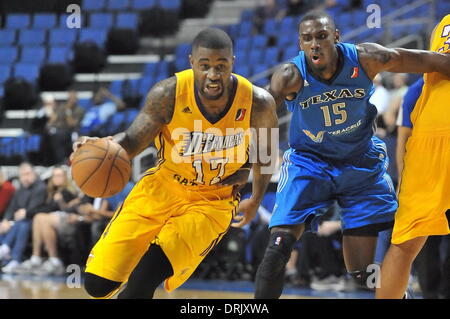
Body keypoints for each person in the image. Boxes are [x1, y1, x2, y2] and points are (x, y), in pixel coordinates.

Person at [252, 10, 450, 299]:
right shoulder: (290, 76)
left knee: (363, 274)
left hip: (359, 163)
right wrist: (255, 191)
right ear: (300, 43)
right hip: (310, 163)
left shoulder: (367, 58)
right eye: (307, 39)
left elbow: (427, 59)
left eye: (321, 36)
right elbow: (263, 119)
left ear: (336, 36)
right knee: (277, 248)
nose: (315, 44)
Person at [72, 28, 278, 299]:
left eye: (221, 66)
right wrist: (102, 147)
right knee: (97, 286)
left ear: (232, 62)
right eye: (205, 66)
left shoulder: (258, 102)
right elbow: (134, 139)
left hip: (212, 201)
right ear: (192, 62)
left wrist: (255, 196)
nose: (213, 75)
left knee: (143, 279)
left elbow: (266, 153)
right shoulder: (168, 93)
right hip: (163, 187)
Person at [377, 15, 450, 298]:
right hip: (429, 132)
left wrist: (390, 58)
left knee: (405, 244)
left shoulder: (442, 23)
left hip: (430, 131)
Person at [14, 166, 79, 276]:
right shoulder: (51, 192)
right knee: (39, 217)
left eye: (60, 175)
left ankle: (54, 260)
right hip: (54, 220)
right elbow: (44, 207)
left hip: (68, 221)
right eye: (55, 176)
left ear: (65, 177)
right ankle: (36, 257)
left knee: (43, 218)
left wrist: (27, 213)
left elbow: (53, 208)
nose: (57, 178)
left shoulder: (68, 191)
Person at [0, 163, 47, 273]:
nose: (25, 177)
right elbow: (11, 207)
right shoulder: (20, 189)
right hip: (18, 220)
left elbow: (36, 207)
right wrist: (7, 219)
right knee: (4, 224)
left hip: (34, 220)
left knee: (23, 224)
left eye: (27, 174)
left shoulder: (40, 187)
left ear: (34, 174)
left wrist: (25, 213)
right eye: (22, 175)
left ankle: (13, 256)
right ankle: (6, 258)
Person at [46, 91, 85, 164]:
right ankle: (54, 161)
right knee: (49, 135)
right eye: (70, 98)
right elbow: (53, 119)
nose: (71, 100)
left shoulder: (80, 110)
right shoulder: (62, 107)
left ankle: (65, 161)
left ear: (77, 100)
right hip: (60, 130)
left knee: (59, 137)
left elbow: (72, 124)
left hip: (73, 131)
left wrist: (68, 111)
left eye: (73, 98)